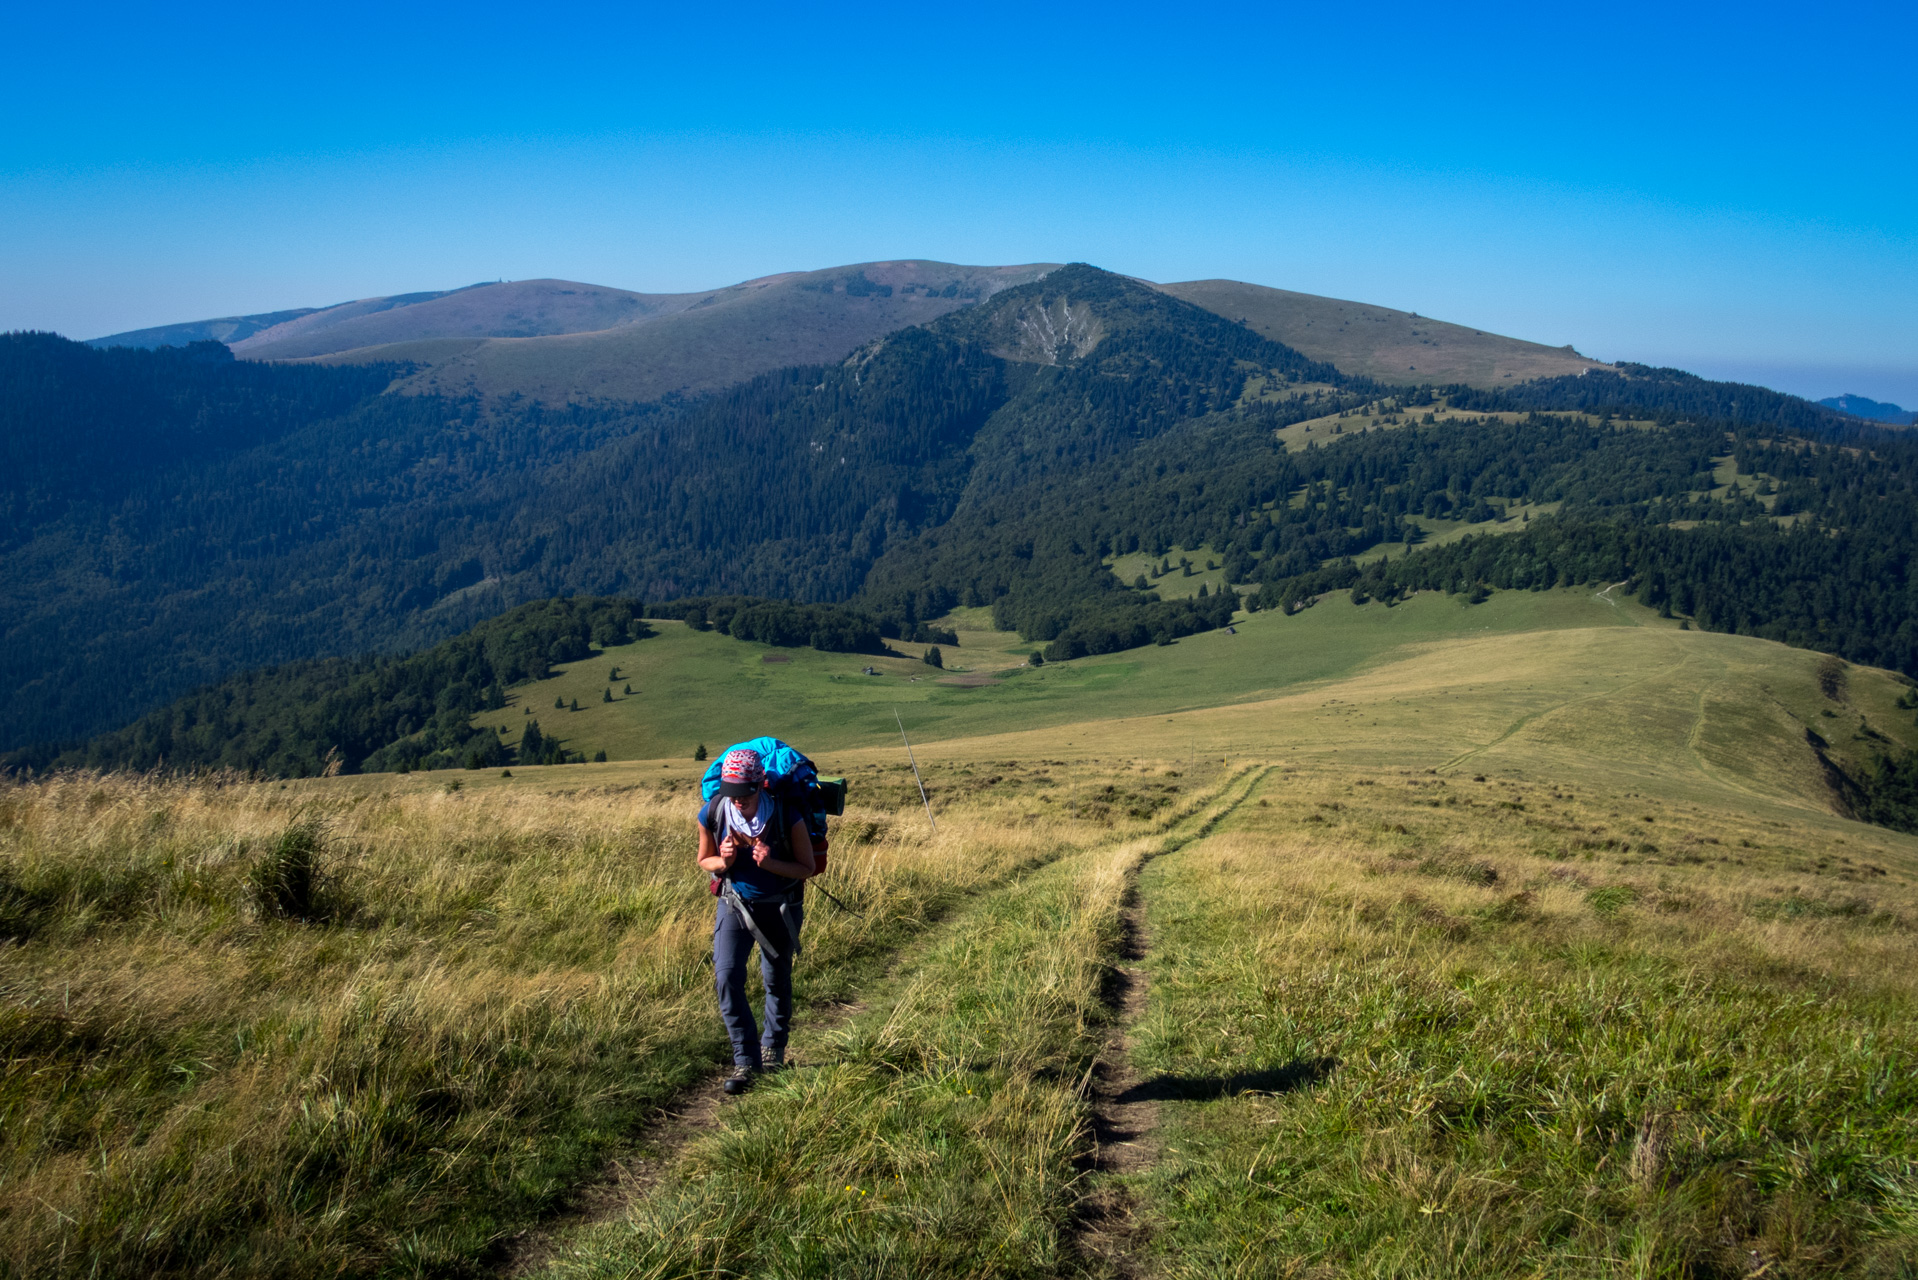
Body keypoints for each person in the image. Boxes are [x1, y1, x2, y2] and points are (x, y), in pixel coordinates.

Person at [697, 747, 817, 1094]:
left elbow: (806, 868)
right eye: (730, 796)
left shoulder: (786, 815)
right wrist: (723, 862)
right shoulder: (713, 811)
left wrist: (771, 864)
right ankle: (746, 1060)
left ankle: (773, 1049)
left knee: (775, 978)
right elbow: (703, 860)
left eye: (744, 796)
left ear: (760, 786)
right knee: (726, 976)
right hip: (734, 905)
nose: (737, 803)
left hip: (780, 907)